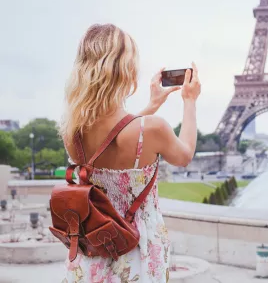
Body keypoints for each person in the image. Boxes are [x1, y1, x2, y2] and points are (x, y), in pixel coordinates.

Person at [58, 24, 201, 283]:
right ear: (126, 70)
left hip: (90, 252)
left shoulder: (72, 131)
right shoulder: (153, 129)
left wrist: (151, 105)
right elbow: (185, 155)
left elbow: (113, 137)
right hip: (137, 253)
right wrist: (189, 101)